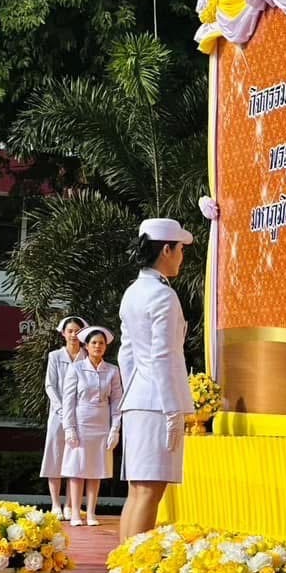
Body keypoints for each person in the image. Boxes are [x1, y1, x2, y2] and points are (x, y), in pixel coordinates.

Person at [118, 218, 193, 542]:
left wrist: (132, 392)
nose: (181, 257)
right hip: (156, 404)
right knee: (149, 492)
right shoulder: (163, 296)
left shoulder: (133, 291)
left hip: (139, 398)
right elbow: (163, 357)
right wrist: (172, 408)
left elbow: (126, 354)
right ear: (166, 249)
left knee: (138, 492)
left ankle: (122, 569)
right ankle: (131, 569)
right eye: (179, 249)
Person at [61, 326, 123, 527]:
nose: (97, 346)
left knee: (96, 470)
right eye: (94, 343)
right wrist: (69, 427)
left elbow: (117, 402)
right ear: (86, 346)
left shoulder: (112, 370)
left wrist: (115, 429)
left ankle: (91, 513)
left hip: (101, 424)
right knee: (77, 469)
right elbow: (68, 401)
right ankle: (76, 513)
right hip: (81, 421)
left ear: (106, 347)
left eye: (101, 343)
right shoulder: (76, 368)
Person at [39, 315, 87, 518]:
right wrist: (61, 409)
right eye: (70, 331)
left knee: (77, 458)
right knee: (55, 455)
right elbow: (50, 385)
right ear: (63, 334)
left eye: (77, 331)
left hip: (82, 416)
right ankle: (56, 504)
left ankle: (71, 505)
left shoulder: (88, 356)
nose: (74, 335)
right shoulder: (55, 356)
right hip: (58, 415)